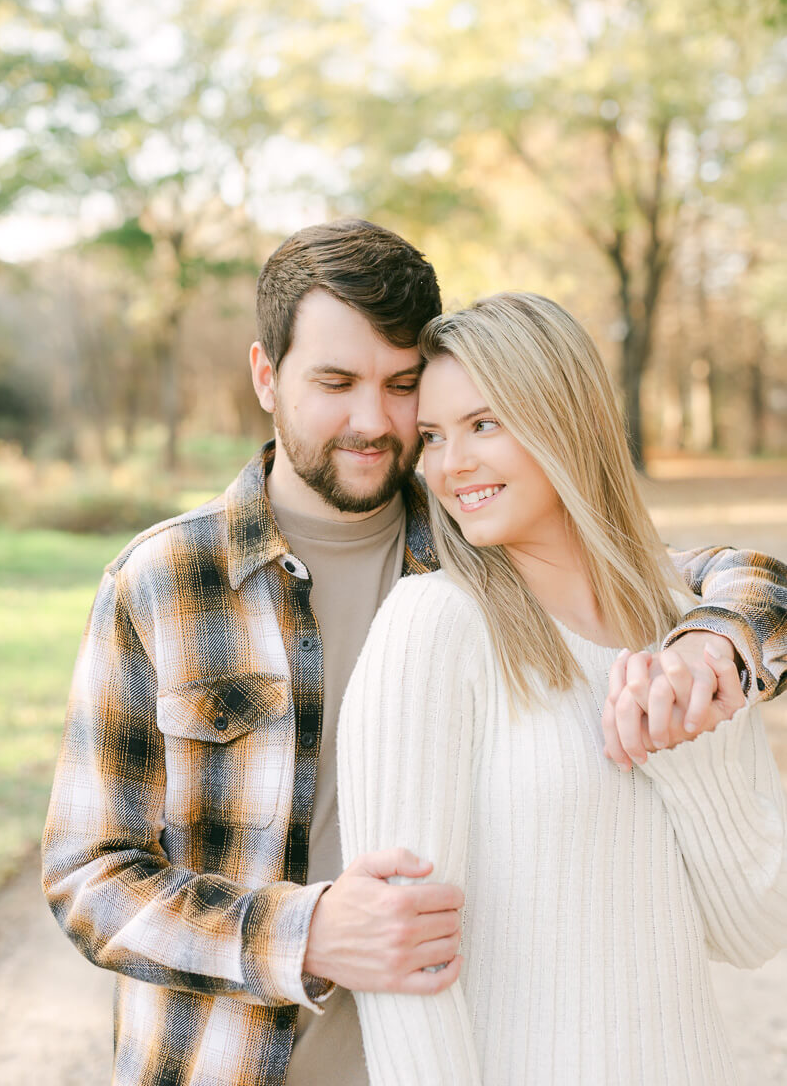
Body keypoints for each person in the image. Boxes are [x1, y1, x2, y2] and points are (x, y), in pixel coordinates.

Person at [41, 221, 785, 1086]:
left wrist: (714, 639)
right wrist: (304, 931)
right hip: (238, 1064)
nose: (372, 420)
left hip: (457, 1046)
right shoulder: (165, 582)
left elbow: (702, 578)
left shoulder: (476, 536)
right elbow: (88, 875)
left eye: (401, 387)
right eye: (335, 381)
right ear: (264, 376)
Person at [337, 291, 787, 1086]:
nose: (451, 465)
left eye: (484, 424)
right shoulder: (435, 625)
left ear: (564, 417)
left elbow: (752, 932)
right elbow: (406, 974)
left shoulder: (693, 633)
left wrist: (691, 747)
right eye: (434, 437)